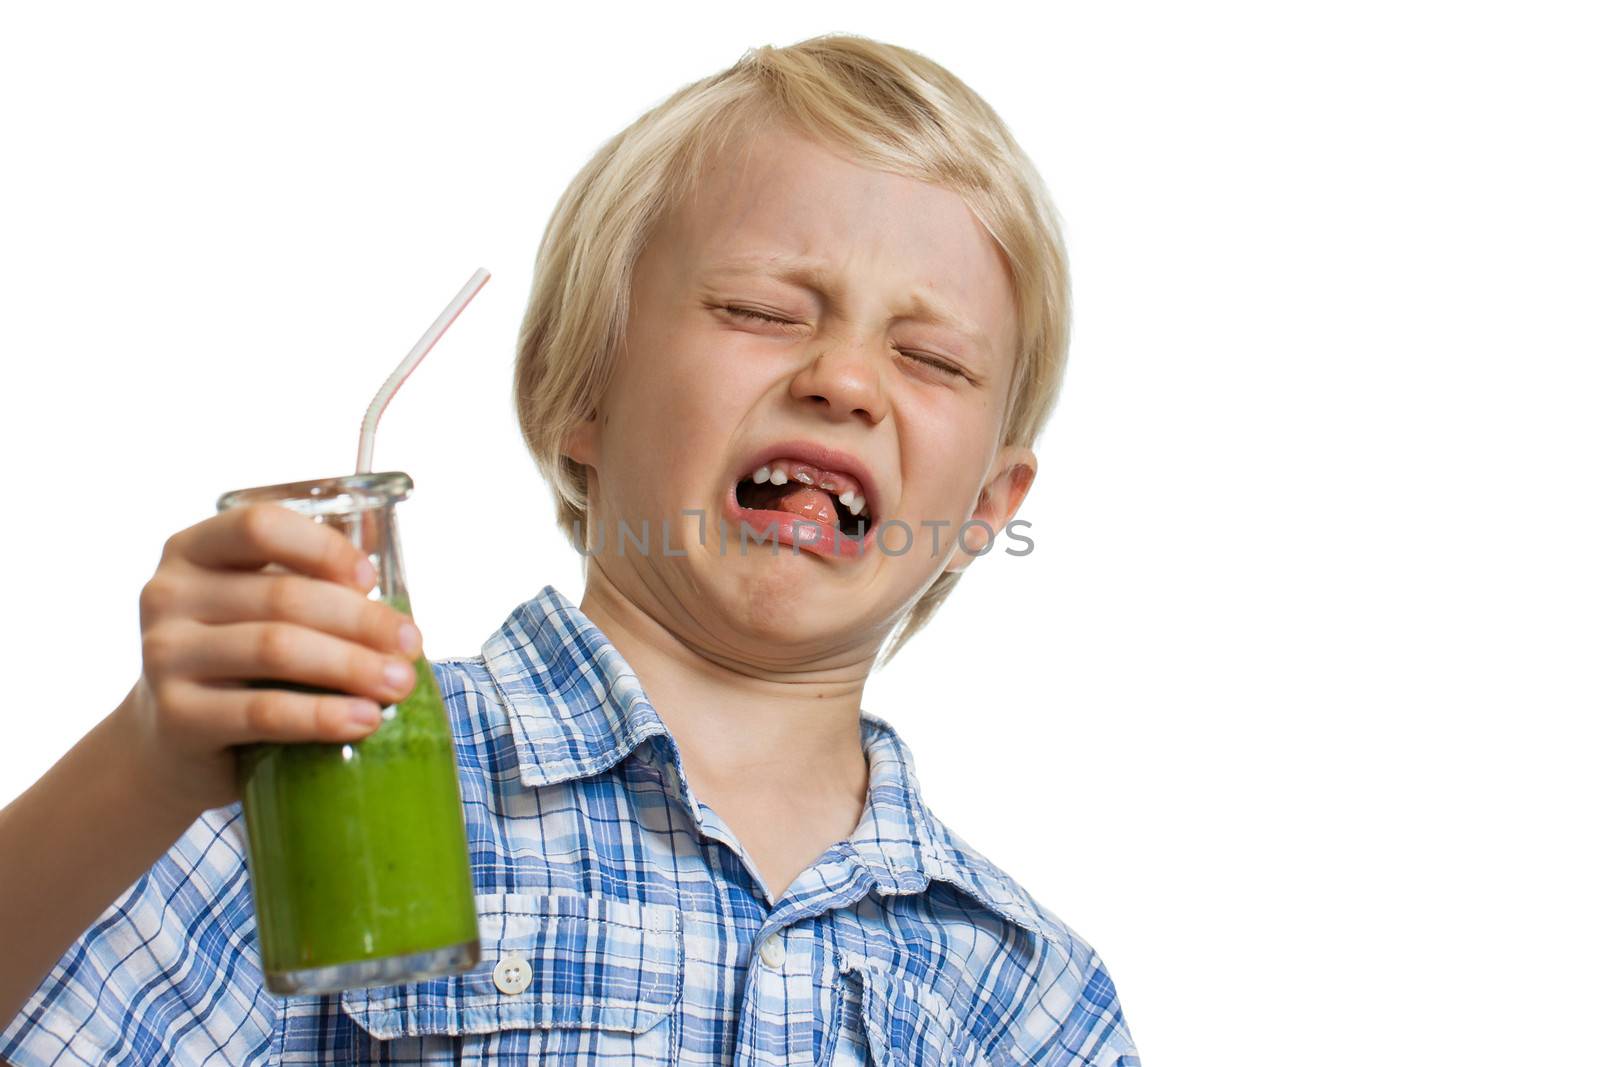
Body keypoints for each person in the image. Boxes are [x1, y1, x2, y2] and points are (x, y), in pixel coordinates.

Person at [0, 33, 1140, 1065]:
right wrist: (141, 765)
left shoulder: (1030, 994)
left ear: (989, 503)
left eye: (932, 358)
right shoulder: (334, 790)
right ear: (580, 395)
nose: (843, 379)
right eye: (758, 310)